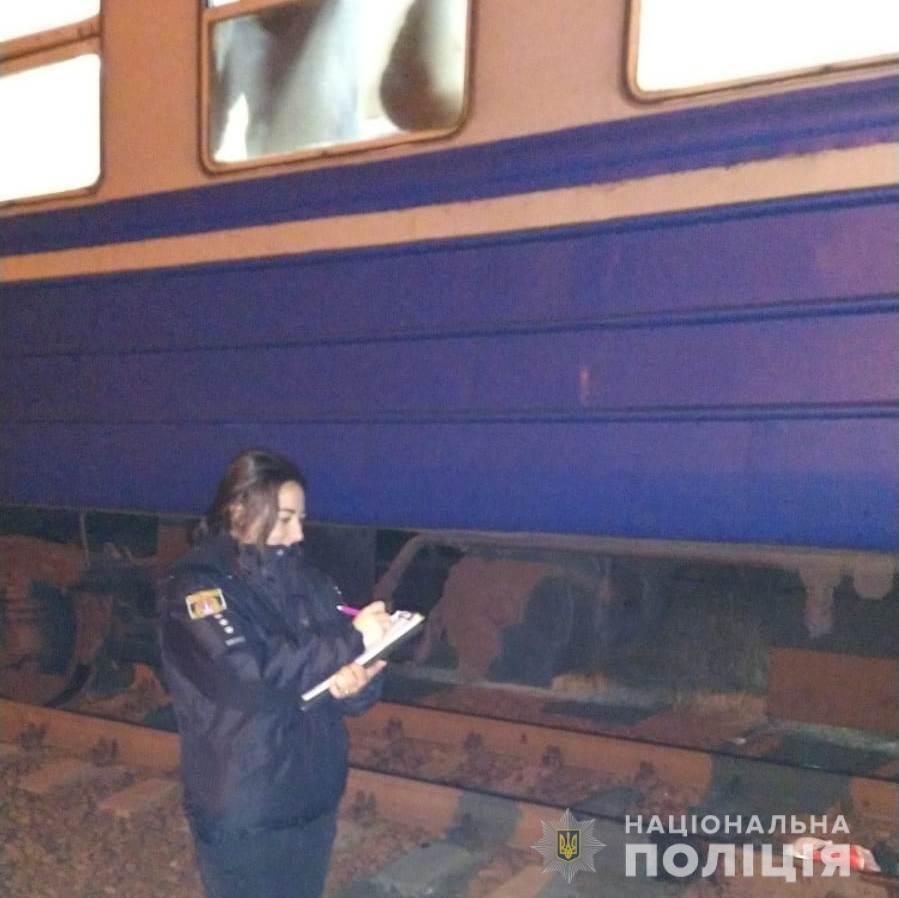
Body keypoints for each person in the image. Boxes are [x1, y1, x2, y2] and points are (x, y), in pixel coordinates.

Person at [159, 448, 391, 898]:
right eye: (284, 519)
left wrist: (358, 684)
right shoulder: (199, 589)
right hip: (248, 805)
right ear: (239, 510)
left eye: (301, 519)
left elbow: (335, 664)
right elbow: (247, 677)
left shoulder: (313, 583)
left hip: (313, 798)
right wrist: (351, 641)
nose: (298, 533)